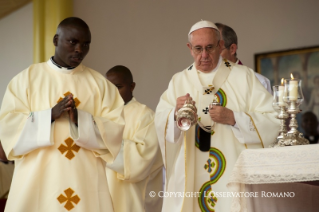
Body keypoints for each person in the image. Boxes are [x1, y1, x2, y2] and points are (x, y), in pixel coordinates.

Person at [0, 17, 125, 212]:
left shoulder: (101, 85)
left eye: (86, 44)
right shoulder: (26, 80)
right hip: (38, 182)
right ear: (56, 40)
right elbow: (8, 129)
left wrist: (81, 121)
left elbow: (115, 131)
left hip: (85, 181)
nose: (79, 50)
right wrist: (48, 115)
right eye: (72, 42)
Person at [155, 20, 280, 212]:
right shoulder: (179, 81)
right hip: (191, 176)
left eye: (209, 48)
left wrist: (234, 118)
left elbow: (273, 120)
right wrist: (174, 113)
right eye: (198, 49)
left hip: (233, 172)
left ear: (221, 45)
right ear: (189, 48)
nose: (204, 55)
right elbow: (159, 121)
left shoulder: (244, 77)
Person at [105, 65, 163, 212]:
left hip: (131, 198)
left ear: (132, 86)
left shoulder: (145, 116)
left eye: (119, 87)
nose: (114, 93)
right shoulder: (101, 114)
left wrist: (100, 142)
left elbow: (139, 161)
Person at [215, 23, 272, 94]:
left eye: (217, 51)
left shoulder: (259, 83)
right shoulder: (201, 84)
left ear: (232, 49)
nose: (211, 57)